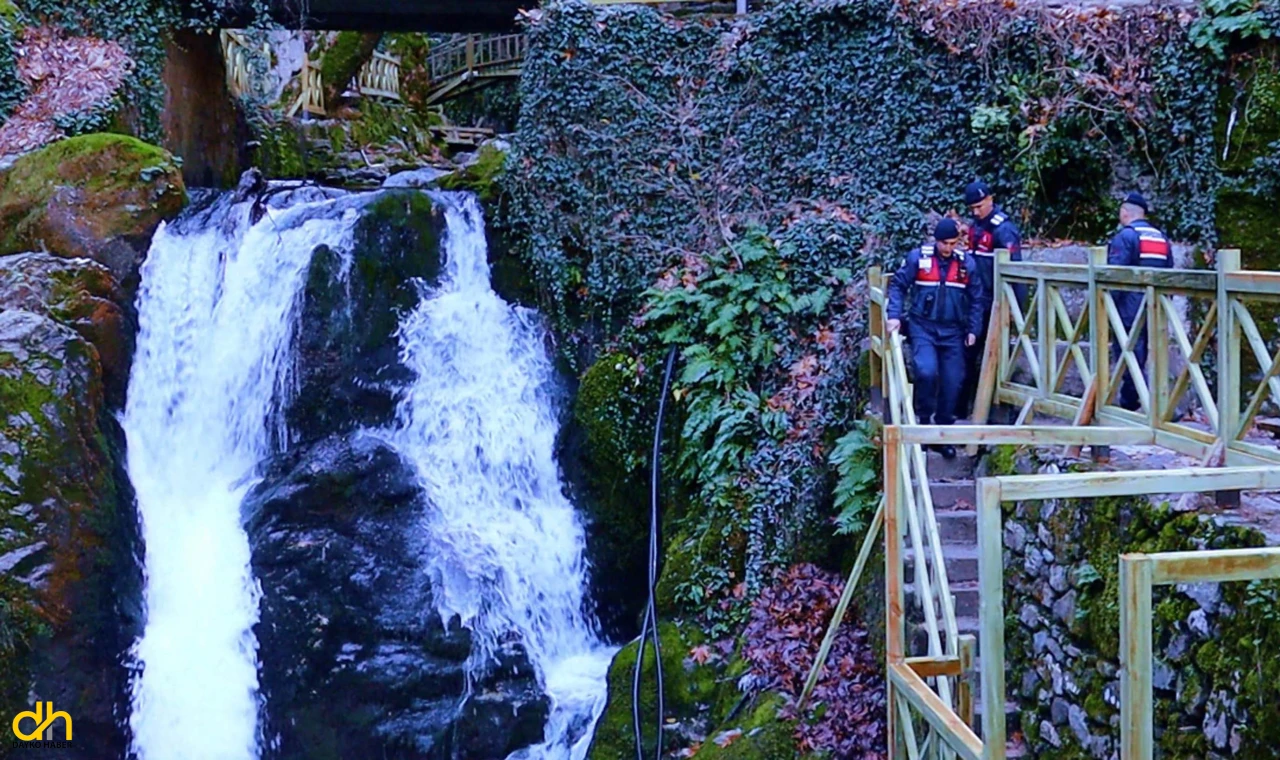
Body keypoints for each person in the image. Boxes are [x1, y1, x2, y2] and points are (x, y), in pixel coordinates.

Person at [886, 219, 985, 459]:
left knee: (953, 381)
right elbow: (898, 286)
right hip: (923, 327)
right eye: (944, 243)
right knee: (926, 371)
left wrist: (974, 329)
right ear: (936, 240)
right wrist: (894, 316)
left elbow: (977, 298)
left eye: (953, 243)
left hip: (954, 331)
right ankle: (923, 424)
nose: (948, 248)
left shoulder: (966, 264)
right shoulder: (917, 258)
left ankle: (942, 434)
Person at [960, 180, 1023, 417]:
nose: (976, 212)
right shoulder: (976, 226)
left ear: (990, 199)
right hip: (977, 301)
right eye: (972, 208)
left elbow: (1014, 271)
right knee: (968, 353)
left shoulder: (1002, 229)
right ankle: (964, 409)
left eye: (979, 206)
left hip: (996, 302)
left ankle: (998, 410)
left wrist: (1013, 308)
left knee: (997, 356)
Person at [1107, 191, 1173, 412]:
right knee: (1143, 356)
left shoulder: (1125, 236)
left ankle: (1139, 403)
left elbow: (1115, 275)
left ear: (1125, 212)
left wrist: (1107, 307)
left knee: (1128, 356)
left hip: (1128, 309)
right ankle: (1141, 402)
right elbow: (1169, 274)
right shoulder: (1160, 238)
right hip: (1155, 307)